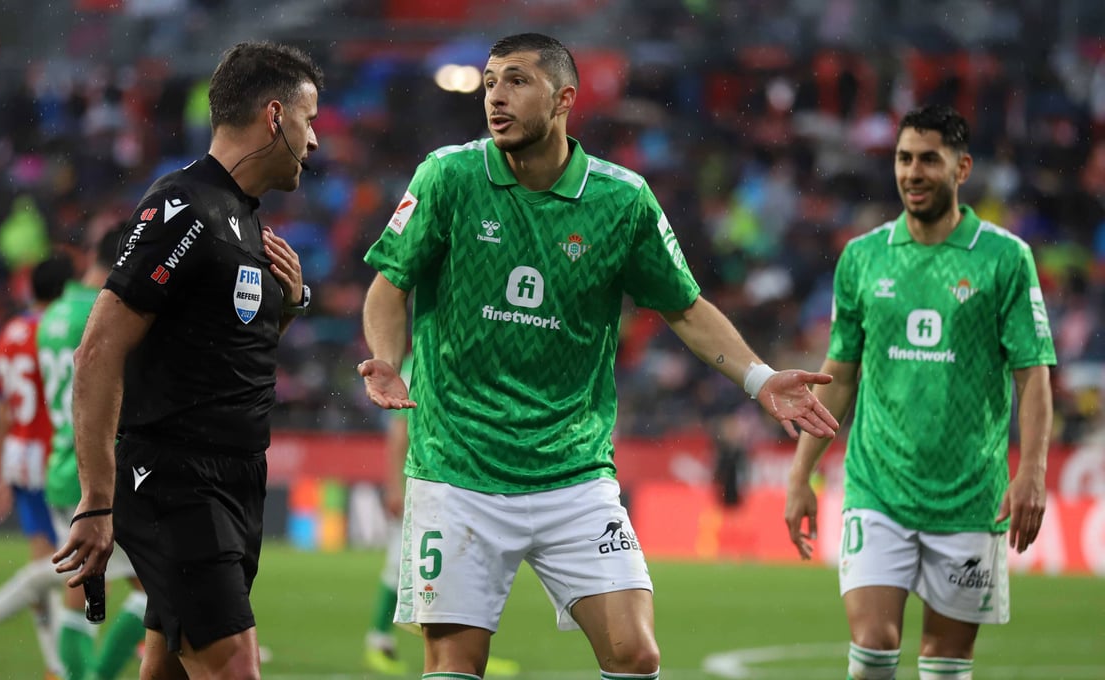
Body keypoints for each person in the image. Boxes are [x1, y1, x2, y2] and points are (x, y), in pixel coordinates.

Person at [358, 33, 840, 680]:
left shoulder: (622, 200)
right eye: (491, 81)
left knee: (635, 654)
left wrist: (759, 378)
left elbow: (684, 307)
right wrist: (388, 359)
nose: (496, 96)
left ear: (564, 99)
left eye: (517, 81)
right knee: (454, 662)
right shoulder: (449, 176)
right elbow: (389, 284)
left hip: (574, 472)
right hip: (457, 470)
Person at [51, 41, 321, 680]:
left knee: (166, 670)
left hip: (235, 480)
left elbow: (226, 353)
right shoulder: (183, 207)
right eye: (309, 120)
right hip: (177, 481)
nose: (314, 141)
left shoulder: (246, 223)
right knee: (234, 670)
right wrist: (96, 500)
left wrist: (288, 306)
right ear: (275, 116)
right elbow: (98, 349)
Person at [783, 105, 1056, 680]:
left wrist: (1032, 470)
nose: (913, 172)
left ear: (962, 168)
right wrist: (800, 472)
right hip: (877, 488)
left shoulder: (1005, 258)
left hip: (970, 498)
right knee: (873, 649)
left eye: (929, 159)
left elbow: (1032, 372)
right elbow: (840, 373)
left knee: (945, 663)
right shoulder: (863, 257)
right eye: (904, 158)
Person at [0, 254, 73, 680]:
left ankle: (55, 665)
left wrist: (2, 470)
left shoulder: (9, 332)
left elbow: (3, 408)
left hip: (19, 456)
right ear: (64, 290)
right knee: (73, 565)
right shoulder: (55, 331)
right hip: (49, 455)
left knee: (47, 562)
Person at [363, 355, 520, 677]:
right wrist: (395, 486)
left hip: (463, 480)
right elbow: (399, 430)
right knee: (401, 564)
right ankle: (379, 641)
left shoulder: (468, 358)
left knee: (468, 564)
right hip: (425, 480)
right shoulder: (420, 362)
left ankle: (470, 648)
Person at [39, 225, 147, 680]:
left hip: (63, 466)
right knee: (158, 592)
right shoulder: (107, 311)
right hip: (102, 469)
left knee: (79, 592)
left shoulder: (53, 314)